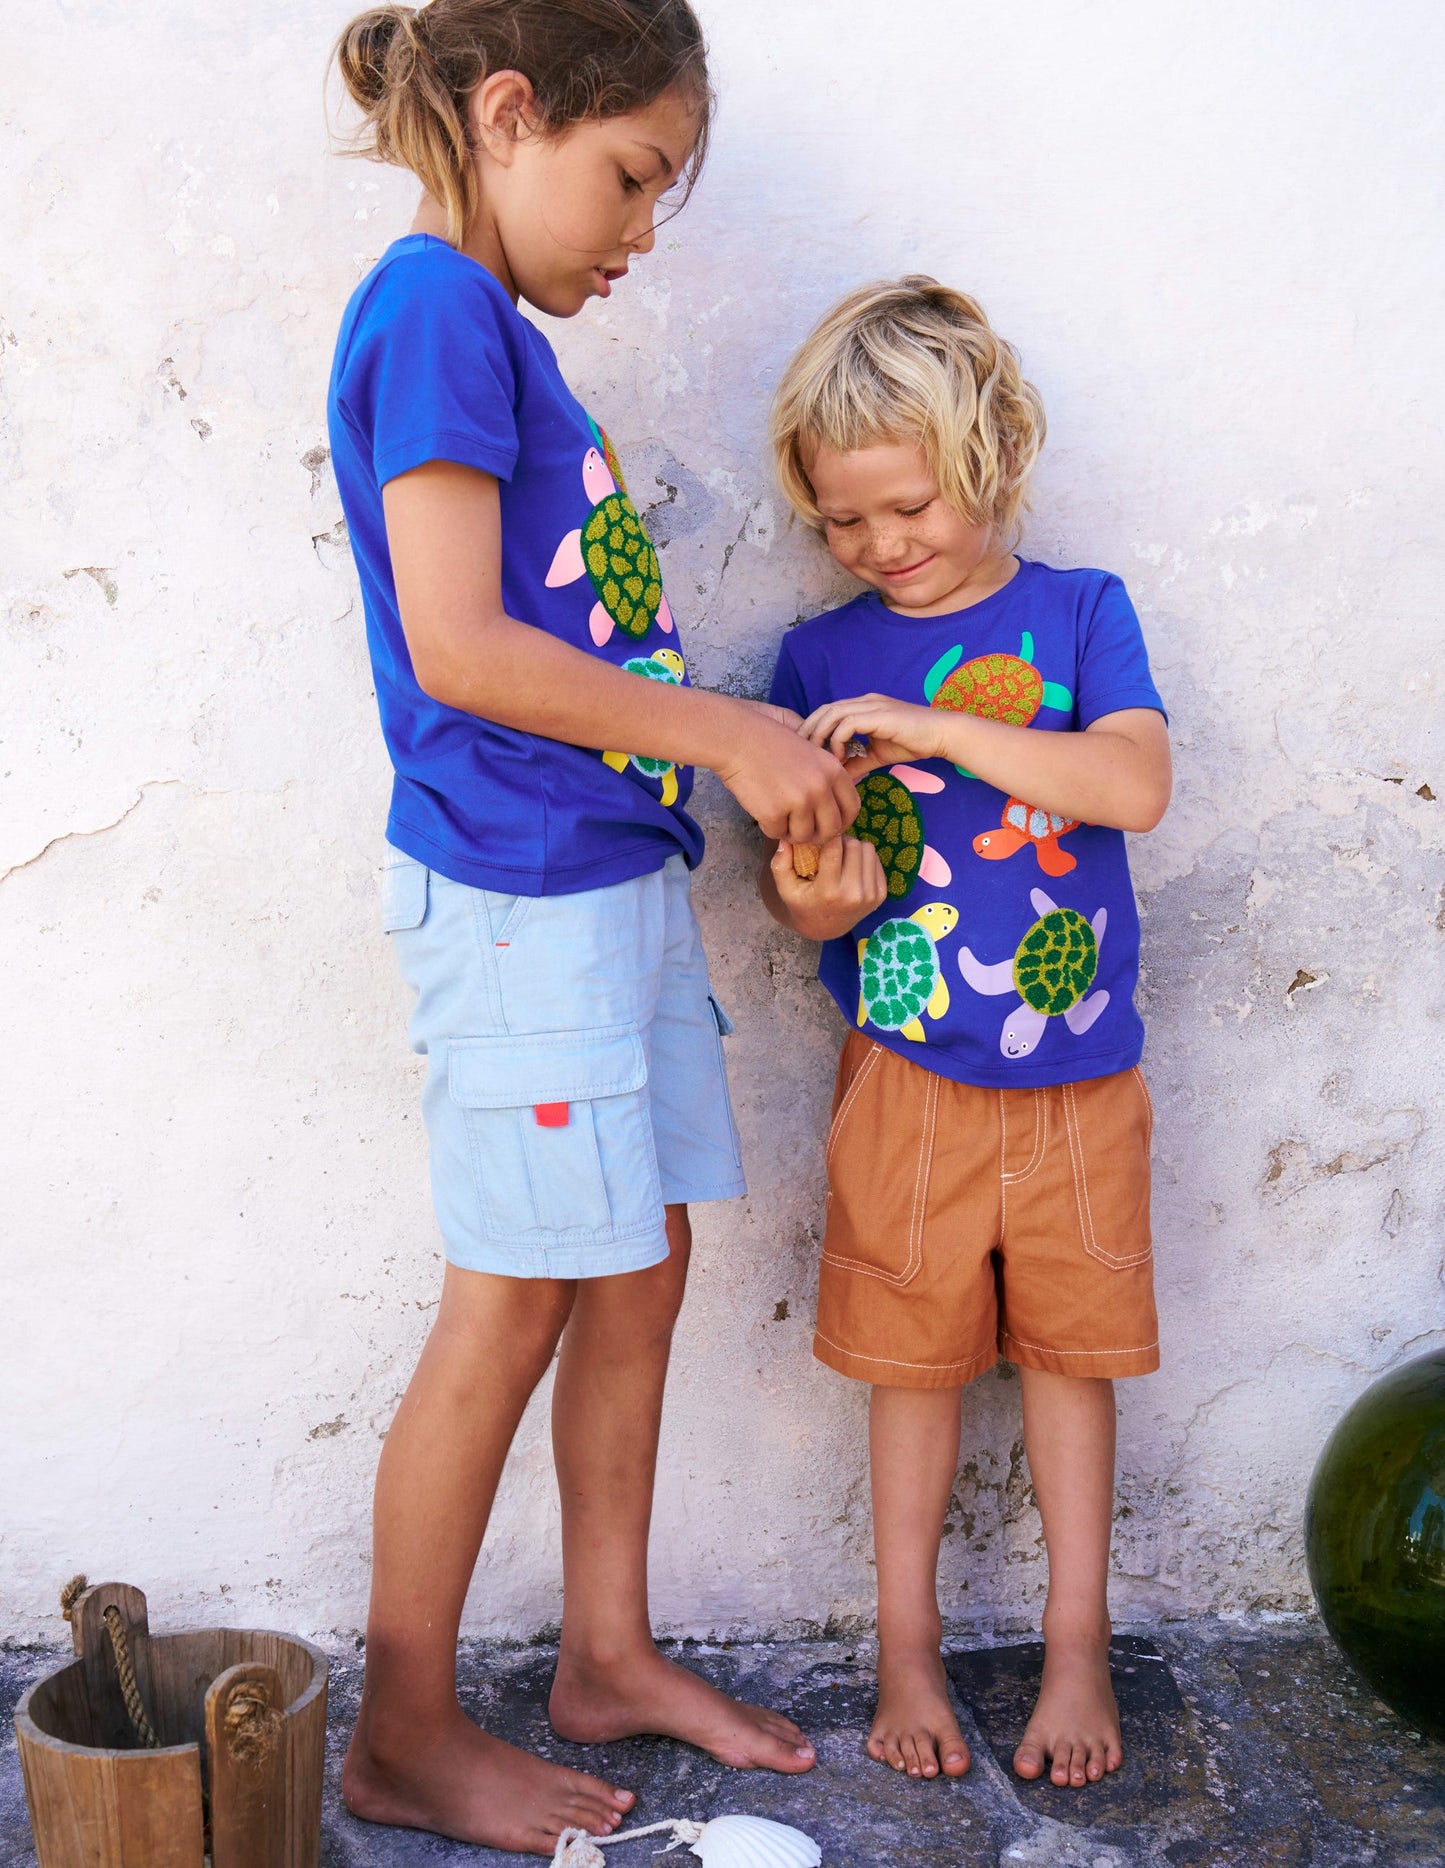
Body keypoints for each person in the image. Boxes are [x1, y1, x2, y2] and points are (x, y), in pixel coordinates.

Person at [325, 3, 855, 1853]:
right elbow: (460, 643)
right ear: (507, 113)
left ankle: (605, 1654)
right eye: (629, 177)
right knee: (516, 1293)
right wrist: (726, 733)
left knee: (635, 1262)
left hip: (602, 877)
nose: (639, 232)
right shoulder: (432, 312)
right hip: (516, 895)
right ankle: (401, 1729)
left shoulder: (500, 338)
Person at [762, 276, 1171, 1792]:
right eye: (844, 522)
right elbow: (796, 889)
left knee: (1072, 1361)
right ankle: (907, 1651)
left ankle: (1076, 1649)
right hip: (906, 1079)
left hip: (1081, 1080)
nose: (880, 544)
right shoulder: (815, 662)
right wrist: (816, 891)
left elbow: (1131, 786)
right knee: (911, 1369)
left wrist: (934, 728)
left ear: (993, 455)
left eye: (910, 506)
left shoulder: (1080, 614)